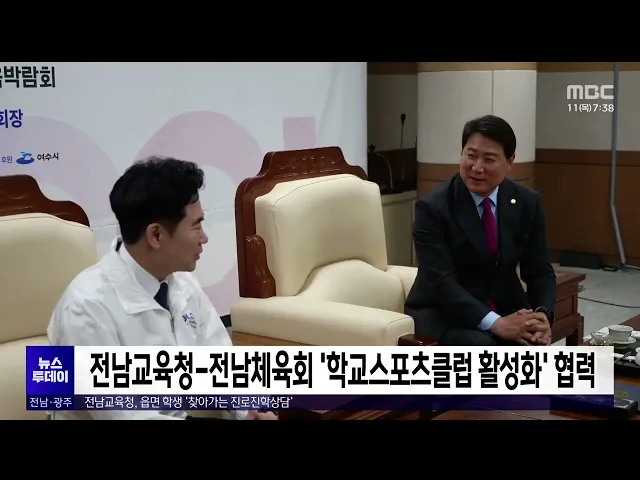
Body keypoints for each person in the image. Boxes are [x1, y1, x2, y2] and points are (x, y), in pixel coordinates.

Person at [47, 156, 277, 420]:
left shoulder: (179, 282)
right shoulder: (85, 307)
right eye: (196, 226)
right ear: (155, 235)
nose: (204, 238)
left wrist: (250, 409)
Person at [405, 115, 556, 347]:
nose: (477, 168)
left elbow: (540, 272)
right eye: (471, 155)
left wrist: (541, 315)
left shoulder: (527, 202)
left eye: (489, 159)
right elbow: (442, 282)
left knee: (533, 342)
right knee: (485, 349)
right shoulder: (432, 208)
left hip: (505, 306)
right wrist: (496, 323)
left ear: (510, 161)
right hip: (446, 313)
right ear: (461, 153)